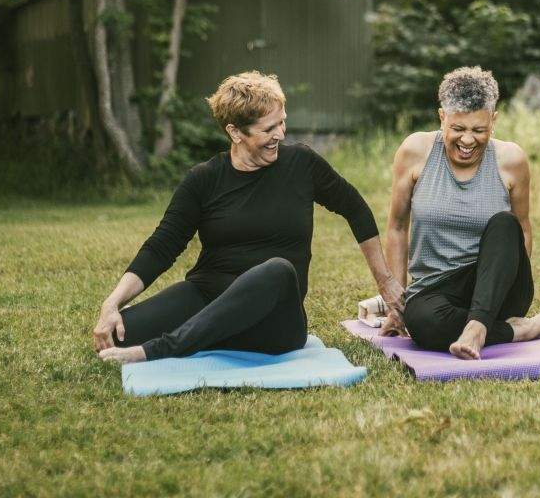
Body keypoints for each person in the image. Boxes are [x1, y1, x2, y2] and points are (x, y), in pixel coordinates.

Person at [94, 71, 404, 364]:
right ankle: (209, 334)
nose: (280, 135)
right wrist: (112, 303)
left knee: (278, 270)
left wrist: (386, 281)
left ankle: (164, 348)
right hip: (209, 296)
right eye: (268, 129)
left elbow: (356, 209)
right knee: (118, 336)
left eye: (281, 123)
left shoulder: (301, 164)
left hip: (274, 318)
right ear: (235, 132)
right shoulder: (204, 180)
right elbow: (162, 246)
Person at [381, 66, 540, 360]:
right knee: (422, 324)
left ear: (493, 121)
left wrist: (502, 289)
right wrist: (395, 306)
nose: (467, 141)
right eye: (458, 129)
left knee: (505, 224)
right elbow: (396, 227)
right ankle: (519, 331)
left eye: (478, 130)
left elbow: (521, 232)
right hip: (436, 290)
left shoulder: (511, 160)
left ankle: (480, 325)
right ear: (442, 117)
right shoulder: (414, 151)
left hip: (495, 288)